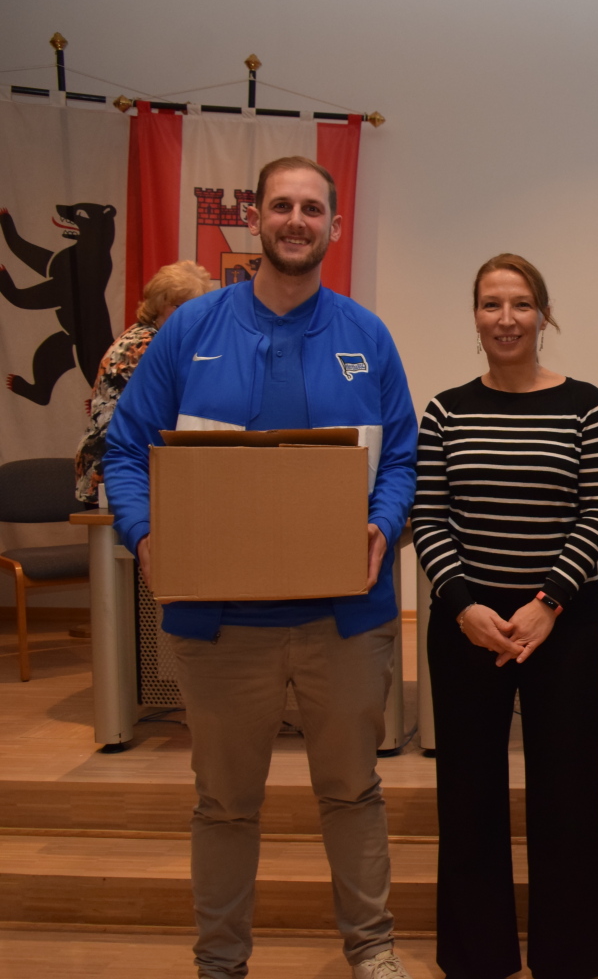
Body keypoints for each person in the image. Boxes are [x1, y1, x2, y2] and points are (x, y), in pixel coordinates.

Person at [102, 156, 419, 979]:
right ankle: (220, 962)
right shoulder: (190, 331)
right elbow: (126, 449)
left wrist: (385, 524)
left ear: (334, 227)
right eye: (281, 205)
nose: (295, 220)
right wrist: (145, 537)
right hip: (221, 626)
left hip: (343, 621)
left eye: (312, 208)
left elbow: (403, 459)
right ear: (256, 218)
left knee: (353, 793)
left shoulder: (367, 336)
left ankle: (372, 950)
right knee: (224, 803)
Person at [412, 253, 598, 979]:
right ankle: (477, 955)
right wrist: (464, 602)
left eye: (521, 304)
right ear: (475, 317)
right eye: (492, 304)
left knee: (568, 789)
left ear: (544, 314)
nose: (506, 318)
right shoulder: (444, 408)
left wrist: (547, 602)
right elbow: (429, 514)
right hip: (465, 624)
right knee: (468, 790)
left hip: (560, 625)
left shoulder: (585, 403)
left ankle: (573, 953)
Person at [74, 260, 211, 505]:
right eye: (181, 307)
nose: (191, 316)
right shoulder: (143, 345)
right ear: (159, 305)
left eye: (197, 308)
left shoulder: (151, 337)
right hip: (120, 468)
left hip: (134, 462)